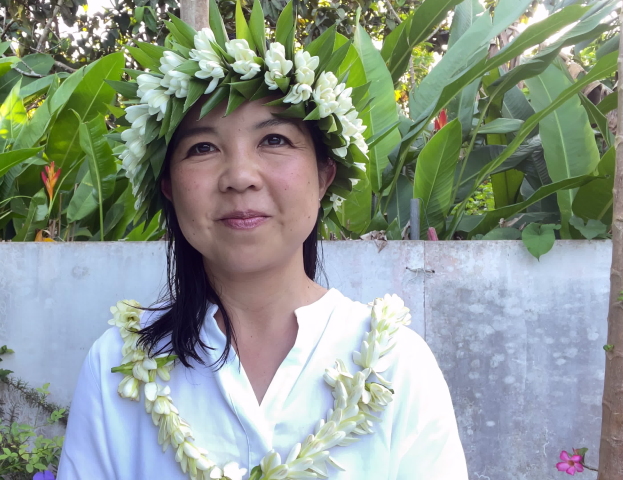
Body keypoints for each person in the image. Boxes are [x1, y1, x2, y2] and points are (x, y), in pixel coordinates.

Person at [57, 2, 467, 478]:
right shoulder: (118, 365)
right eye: (203, 148)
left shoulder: (397, 364)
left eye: (273, 140)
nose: (240, 176)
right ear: (167, 185)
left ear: (324, 174)